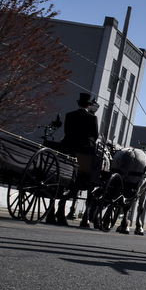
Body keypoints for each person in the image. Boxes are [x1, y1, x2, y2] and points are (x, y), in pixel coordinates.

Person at [54, 92, 101, 227]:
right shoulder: (92, 118)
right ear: (88, 105)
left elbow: (66, 132)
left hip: (67, 147)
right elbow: (95, 135)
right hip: (84, 150)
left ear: (78, 103)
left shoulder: (69, 115)